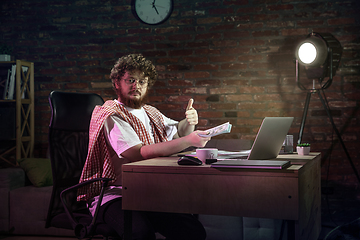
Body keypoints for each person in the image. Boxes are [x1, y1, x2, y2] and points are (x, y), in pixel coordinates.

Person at [77, 53, 210, 240]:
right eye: (130, 80)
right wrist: (189, 140)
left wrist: (189, 122)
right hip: (112, 195)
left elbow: (179, 132)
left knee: (193, 231)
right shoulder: (110, 114)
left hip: (146, 192)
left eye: (142, 82)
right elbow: (138, 153)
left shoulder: (150, 112)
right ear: (116, 82)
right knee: (141, 234)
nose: (136, 86)